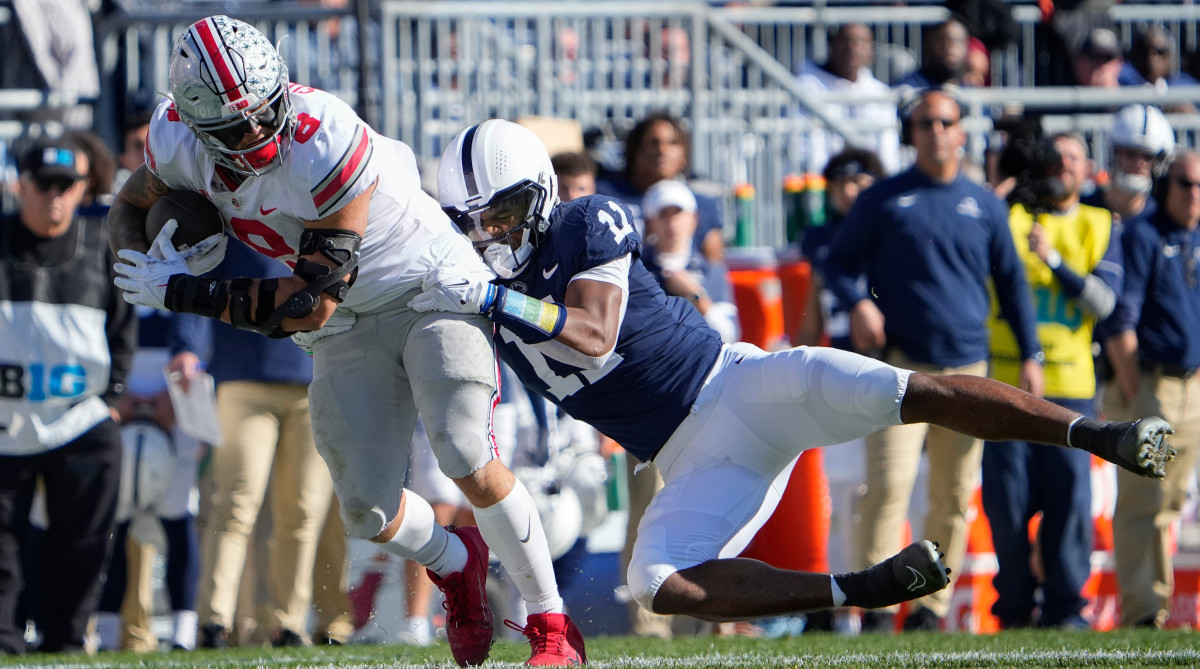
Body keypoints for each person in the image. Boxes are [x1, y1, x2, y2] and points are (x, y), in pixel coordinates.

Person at [408, 118, 1175, 629]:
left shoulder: (585, 219)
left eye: (503, 214)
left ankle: (1096, 433)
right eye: (476, 221)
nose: (492, 234)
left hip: (740, 388)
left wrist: (487, 295)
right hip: (685, 457)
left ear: (539, 191)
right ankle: (856, 590)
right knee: (653, 580)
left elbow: (592, 333)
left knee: (913, 390)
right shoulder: (484, 294)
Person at [106, 16, 580, 666]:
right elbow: (128, 207)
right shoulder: (173, 141)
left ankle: (550, 622)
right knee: (366, 509)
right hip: (348, 320)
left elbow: (308, 300)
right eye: (232, 130)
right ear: (193, 126)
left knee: (465, 450)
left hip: (424, 287)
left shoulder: (324, 135)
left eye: (265, 113)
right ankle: (457, 563)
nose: (256, 135)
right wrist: (139, 260)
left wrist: (178, 291)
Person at [822, 89, 1045, 632]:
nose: (935, 131)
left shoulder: (984, 203)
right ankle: (877, 607)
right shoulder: (884, 198)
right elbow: (838, 262)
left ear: (961, 131)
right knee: (888, 490)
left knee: (951, 495)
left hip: (970, 371)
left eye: (945, 121)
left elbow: (1012, 285)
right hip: (899, 371)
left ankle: (930, 608)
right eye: (924, 123)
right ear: (912, 132)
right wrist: (857, 304)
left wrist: (1031, 353)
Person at [0, 138, 138, 654]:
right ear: (21, 184)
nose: (55, 198)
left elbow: (123, 332)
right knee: (3, 551)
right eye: (44, 185)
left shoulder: (102, 246)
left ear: (83, 190)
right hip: (5, 425)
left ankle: (66, 642)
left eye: (68, 186)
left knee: (81, 544)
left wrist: (113, 399)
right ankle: (5, 642)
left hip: (79, 421)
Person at [984, 133, 1122, 630]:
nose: (1060, 165)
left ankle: (1067, 609)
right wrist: (1005, 181)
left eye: (1072, 156)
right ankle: (1014, 609)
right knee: (1008, 505)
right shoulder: (1009, 217)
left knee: (1069, 503)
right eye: (1052, 155)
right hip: (1004, 385)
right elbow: (979, 223)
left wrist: (1054, 262)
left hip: (1070, 387)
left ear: (1088, 169)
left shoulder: (1099, 223)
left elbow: (1106, 305)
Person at [194, 241, 341, 650]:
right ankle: (214, 622)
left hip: (312, 383)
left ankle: (287, 623)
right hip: (243, 377)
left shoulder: (326, 216)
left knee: (302, 510)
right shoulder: (230, 204)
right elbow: (198, 280)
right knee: (235, 505)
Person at [1103, 151, 1200, 629]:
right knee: (1144, 500)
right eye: (1185, 183)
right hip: (1149, 382)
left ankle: (1156, 606)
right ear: (1166, 185)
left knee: (1172, 502)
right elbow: (1121, 316)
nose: (1195, 193)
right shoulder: (1142, 234)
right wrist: (1134, 389)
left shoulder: (1196, 236)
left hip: (1193, 384)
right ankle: (1142, 610)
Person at [594, 112, 725, 265]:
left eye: (673, 143)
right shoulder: (605, 197)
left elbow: (715, 272)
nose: (663, 150)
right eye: (654, 142)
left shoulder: (702, 205)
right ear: (635, 150)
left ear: (684, 154)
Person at [794, 23, 900, 175]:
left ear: (871, 51)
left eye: (861, 42)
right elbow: (802, 146)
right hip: (822, 182)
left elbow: (888, 151)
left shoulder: (881, 93)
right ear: (831, 45)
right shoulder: (806, 86)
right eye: (846, 40)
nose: (853, 48)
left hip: (870, 182)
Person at [893, 18, 972, 90]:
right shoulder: (910, 86)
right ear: (929, 44)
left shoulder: (970, 88)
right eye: (942, 40)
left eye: (958, 40)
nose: (950, 46)